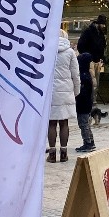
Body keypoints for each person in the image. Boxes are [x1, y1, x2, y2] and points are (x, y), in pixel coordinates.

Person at [48, 25, 81, 163]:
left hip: (51, 92)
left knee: (51, 123)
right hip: (66, 90)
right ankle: (64, 152)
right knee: (64, 123)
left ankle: (51, 153)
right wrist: (76, 90)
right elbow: (75, 74)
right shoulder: (70, 52)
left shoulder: (48, 51)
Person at [74, 52, 96, 153]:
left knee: (83, 124)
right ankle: (91, 141)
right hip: (87, 103)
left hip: (82, 104)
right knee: (86, 123)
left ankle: (87, 142)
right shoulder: (87, 75)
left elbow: (80, 92)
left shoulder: (82, 76)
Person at [77, 14, 107, 83]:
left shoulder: (100, 33)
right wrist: (87, 57)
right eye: (103, 24)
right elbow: (80, 46)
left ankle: (94, 94)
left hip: (97, 61)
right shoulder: (88, 32)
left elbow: (103, 45)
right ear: (98, 23)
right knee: (93, 83)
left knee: (96, 82)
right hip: (91, 61)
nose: (104, 26)